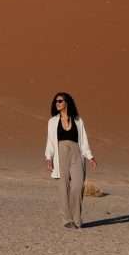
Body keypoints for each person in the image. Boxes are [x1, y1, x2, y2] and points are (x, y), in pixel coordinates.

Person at [45, 92, 97, 229]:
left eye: (60, 101)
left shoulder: (78, 120)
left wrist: (90, 156)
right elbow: (50, 142)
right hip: (60, 153)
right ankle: (67, 219)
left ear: (67, 102)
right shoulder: (52, 122)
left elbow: (84, 140)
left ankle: (77, 218)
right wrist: (48, 158)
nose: (57, 103)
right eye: (56, 101)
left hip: (76, 153)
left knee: (78, 185)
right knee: (63, 187)